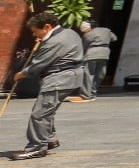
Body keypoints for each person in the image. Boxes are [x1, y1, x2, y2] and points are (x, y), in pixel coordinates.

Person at [6, 12, 83, 160]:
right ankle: (49, 139)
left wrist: (22, 74)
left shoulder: (55, 42)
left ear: (47, 27)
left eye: (36, 31)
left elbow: (39, 64)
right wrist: (43, 41)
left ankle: (36, 148)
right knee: (47, 110)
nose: (34, 35)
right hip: (69, 77)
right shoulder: (69, 33)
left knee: (40, 114)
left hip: (59, 78)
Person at [77, 21, 117, 100]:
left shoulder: (88, 34)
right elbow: (114, 38)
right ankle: (93, 93)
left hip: (92, 53)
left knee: (88, 74)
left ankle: (85, 95)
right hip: (105, 53)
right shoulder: (107, 30)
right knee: (100, 74)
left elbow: (84, 47)